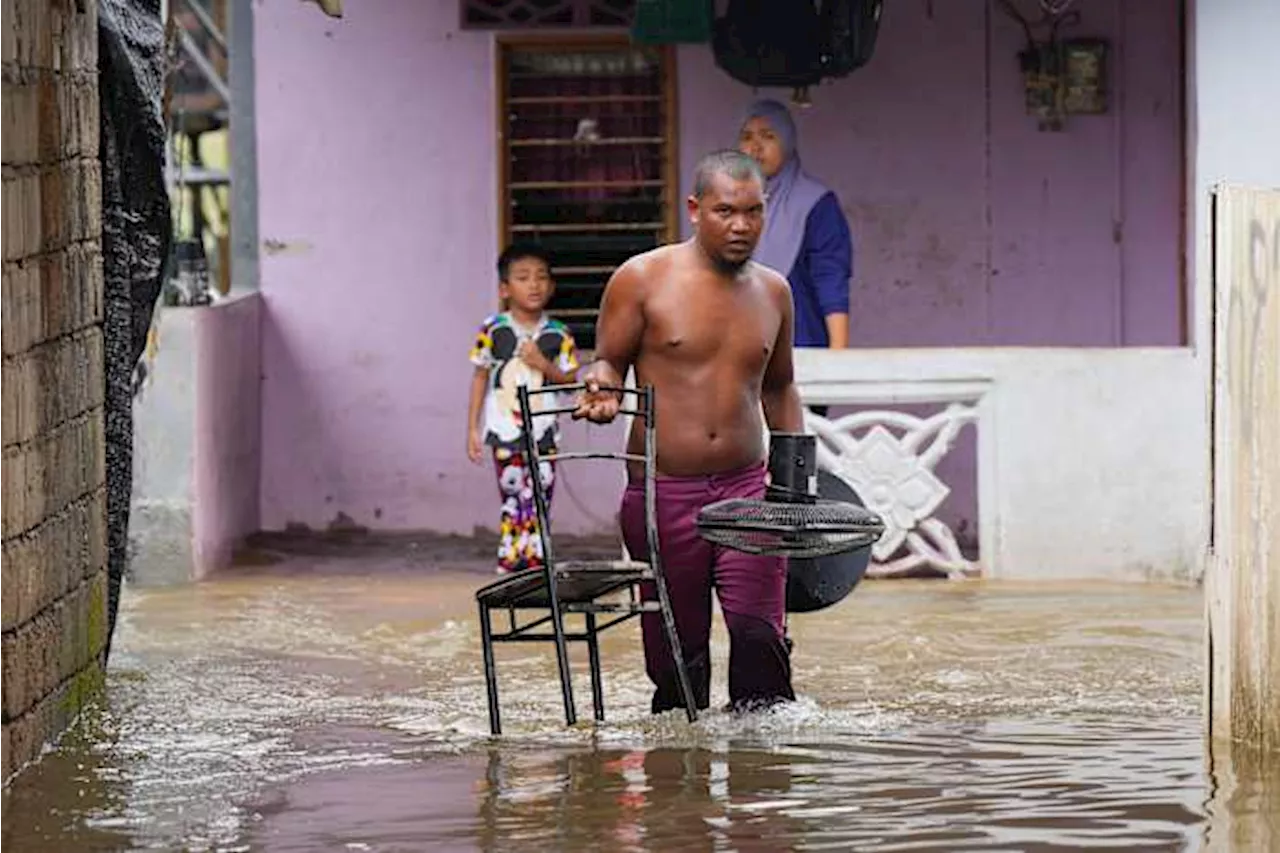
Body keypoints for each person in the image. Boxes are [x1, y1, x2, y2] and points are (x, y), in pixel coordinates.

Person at [573, 149, 806, 715]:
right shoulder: (642, 279)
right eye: (727, 211)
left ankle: (764, 789)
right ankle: (678, 795)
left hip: (748, 491)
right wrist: (601, 389)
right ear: (695, 209)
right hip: (663, 492)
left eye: (754, 212)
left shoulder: (774, 292)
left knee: (759, 641)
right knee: (679, 659)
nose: (742, 226)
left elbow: (780, 389)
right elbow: (607, 361)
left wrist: (798, 486)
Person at [468, 243, 581, 575]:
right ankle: (511, 560)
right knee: (513, 493)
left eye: (541, 277)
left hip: (544, 430)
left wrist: (542, 363)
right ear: (505, 288)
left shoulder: (558, 334)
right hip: (504, 428)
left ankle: (537, 561)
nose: (534, 285)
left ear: (552, 286)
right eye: (523, 277)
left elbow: (569, 381)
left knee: (541, 494)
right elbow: (479, 377)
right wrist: (472, 429)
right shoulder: (492, 329)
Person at [738, 98, 853, 417]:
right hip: (740, 353)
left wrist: (838, 358)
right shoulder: (731, 203)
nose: (755, 147)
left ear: (788, 143)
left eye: (768, 136)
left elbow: (831, 278)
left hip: (799, 351)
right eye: (747, 136)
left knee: (797, 455)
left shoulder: (815, 204)